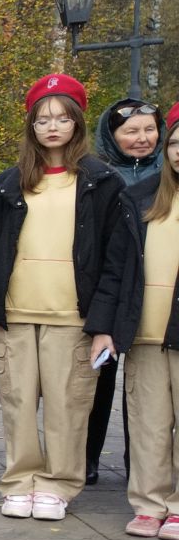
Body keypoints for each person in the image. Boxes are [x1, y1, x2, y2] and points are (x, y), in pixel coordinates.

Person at [0, 74, 138, 521]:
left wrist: (103, 323)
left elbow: (117, 260)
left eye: (62, 118)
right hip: (16, 314)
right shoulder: (7, 185)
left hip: (72, 318)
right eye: (43, 120)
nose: (52, 127)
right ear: (32, 127)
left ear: (77, 123)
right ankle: (20, 482)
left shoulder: (103, 183)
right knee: (18, 402)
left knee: (68, 405)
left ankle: (59, 485)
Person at [86, 97, 166, 483]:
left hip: (153, 298)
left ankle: (144, 468)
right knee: (98, 380)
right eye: (131, 131)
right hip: (108, 291)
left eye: (150, 129)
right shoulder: (98, 175)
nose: (142, 138)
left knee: (148, 392)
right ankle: (86, 458)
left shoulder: (169, 175)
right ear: (112, 135)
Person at [123, 106, 179, 537]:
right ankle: (149, 503)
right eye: (175, 143)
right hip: (146, 331)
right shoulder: (142, 195)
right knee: (148, 422)